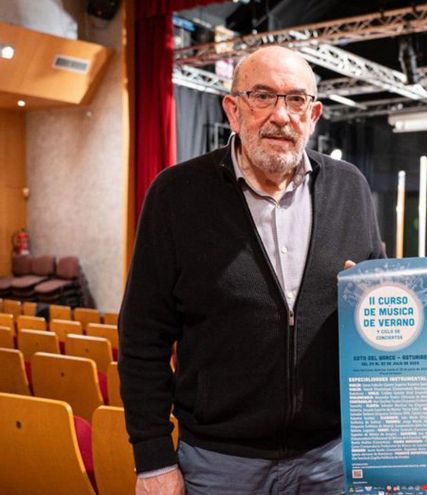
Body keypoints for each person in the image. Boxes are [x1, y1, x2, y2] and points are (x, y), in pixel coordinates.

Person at [119, 46, 384, 495]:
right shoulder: (176, 195)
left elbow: (377, 305)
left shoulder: (350, 187)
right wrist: (152, 458)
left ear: (314, 114)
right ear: (233, 109)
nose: (281, 115)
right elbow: (143, 335)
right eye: (263, 96)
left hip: (330, 459)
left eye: (296, 100)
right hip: (219, 465)